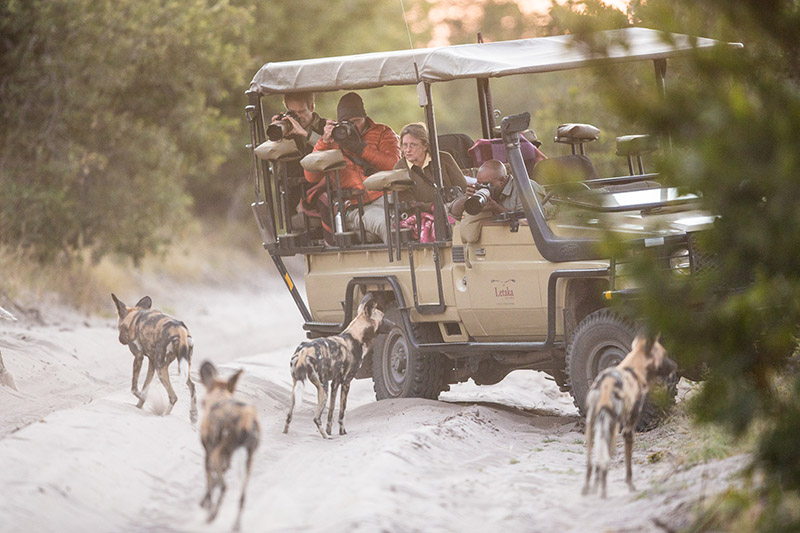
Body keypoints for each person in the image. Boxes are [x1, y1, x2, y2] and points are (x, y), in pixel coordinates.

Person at [303, 92, 401, 243]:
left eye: (357, 121)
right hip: (355, 207)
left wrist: (361, 148)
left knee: (412, 219)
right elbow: (311, 176)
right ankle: (400, 264)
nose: (353, 126)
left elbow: (394, 165)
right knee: (386, 223)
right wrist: (324, 142)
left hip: (387, 198)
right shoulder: (333, 140)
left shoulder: (382, 132)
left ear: (365, 117)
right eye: (347, 122)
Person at [271, 92, 327, 218]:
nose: (298, 117)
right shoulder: (286, 130)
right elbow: (276, 167)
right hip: (293, 194)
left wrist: (305, 134)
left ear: (312, 107)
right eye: (293, 113)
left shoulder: (326, 127)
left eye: (302, 112)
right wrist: (277, 136)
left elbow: (331, 152)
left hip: (322, 190)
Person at [394, 122, 468, 208]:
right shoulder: (399, 169)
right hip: (421, 217)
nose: (407, 150)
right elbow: (407, 205)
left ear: (425, 146)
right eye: (405, 145)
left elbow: (463, 188)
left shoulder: (444, 159)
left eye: (413, 145)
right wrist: (431, 206)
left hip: (454, 210)